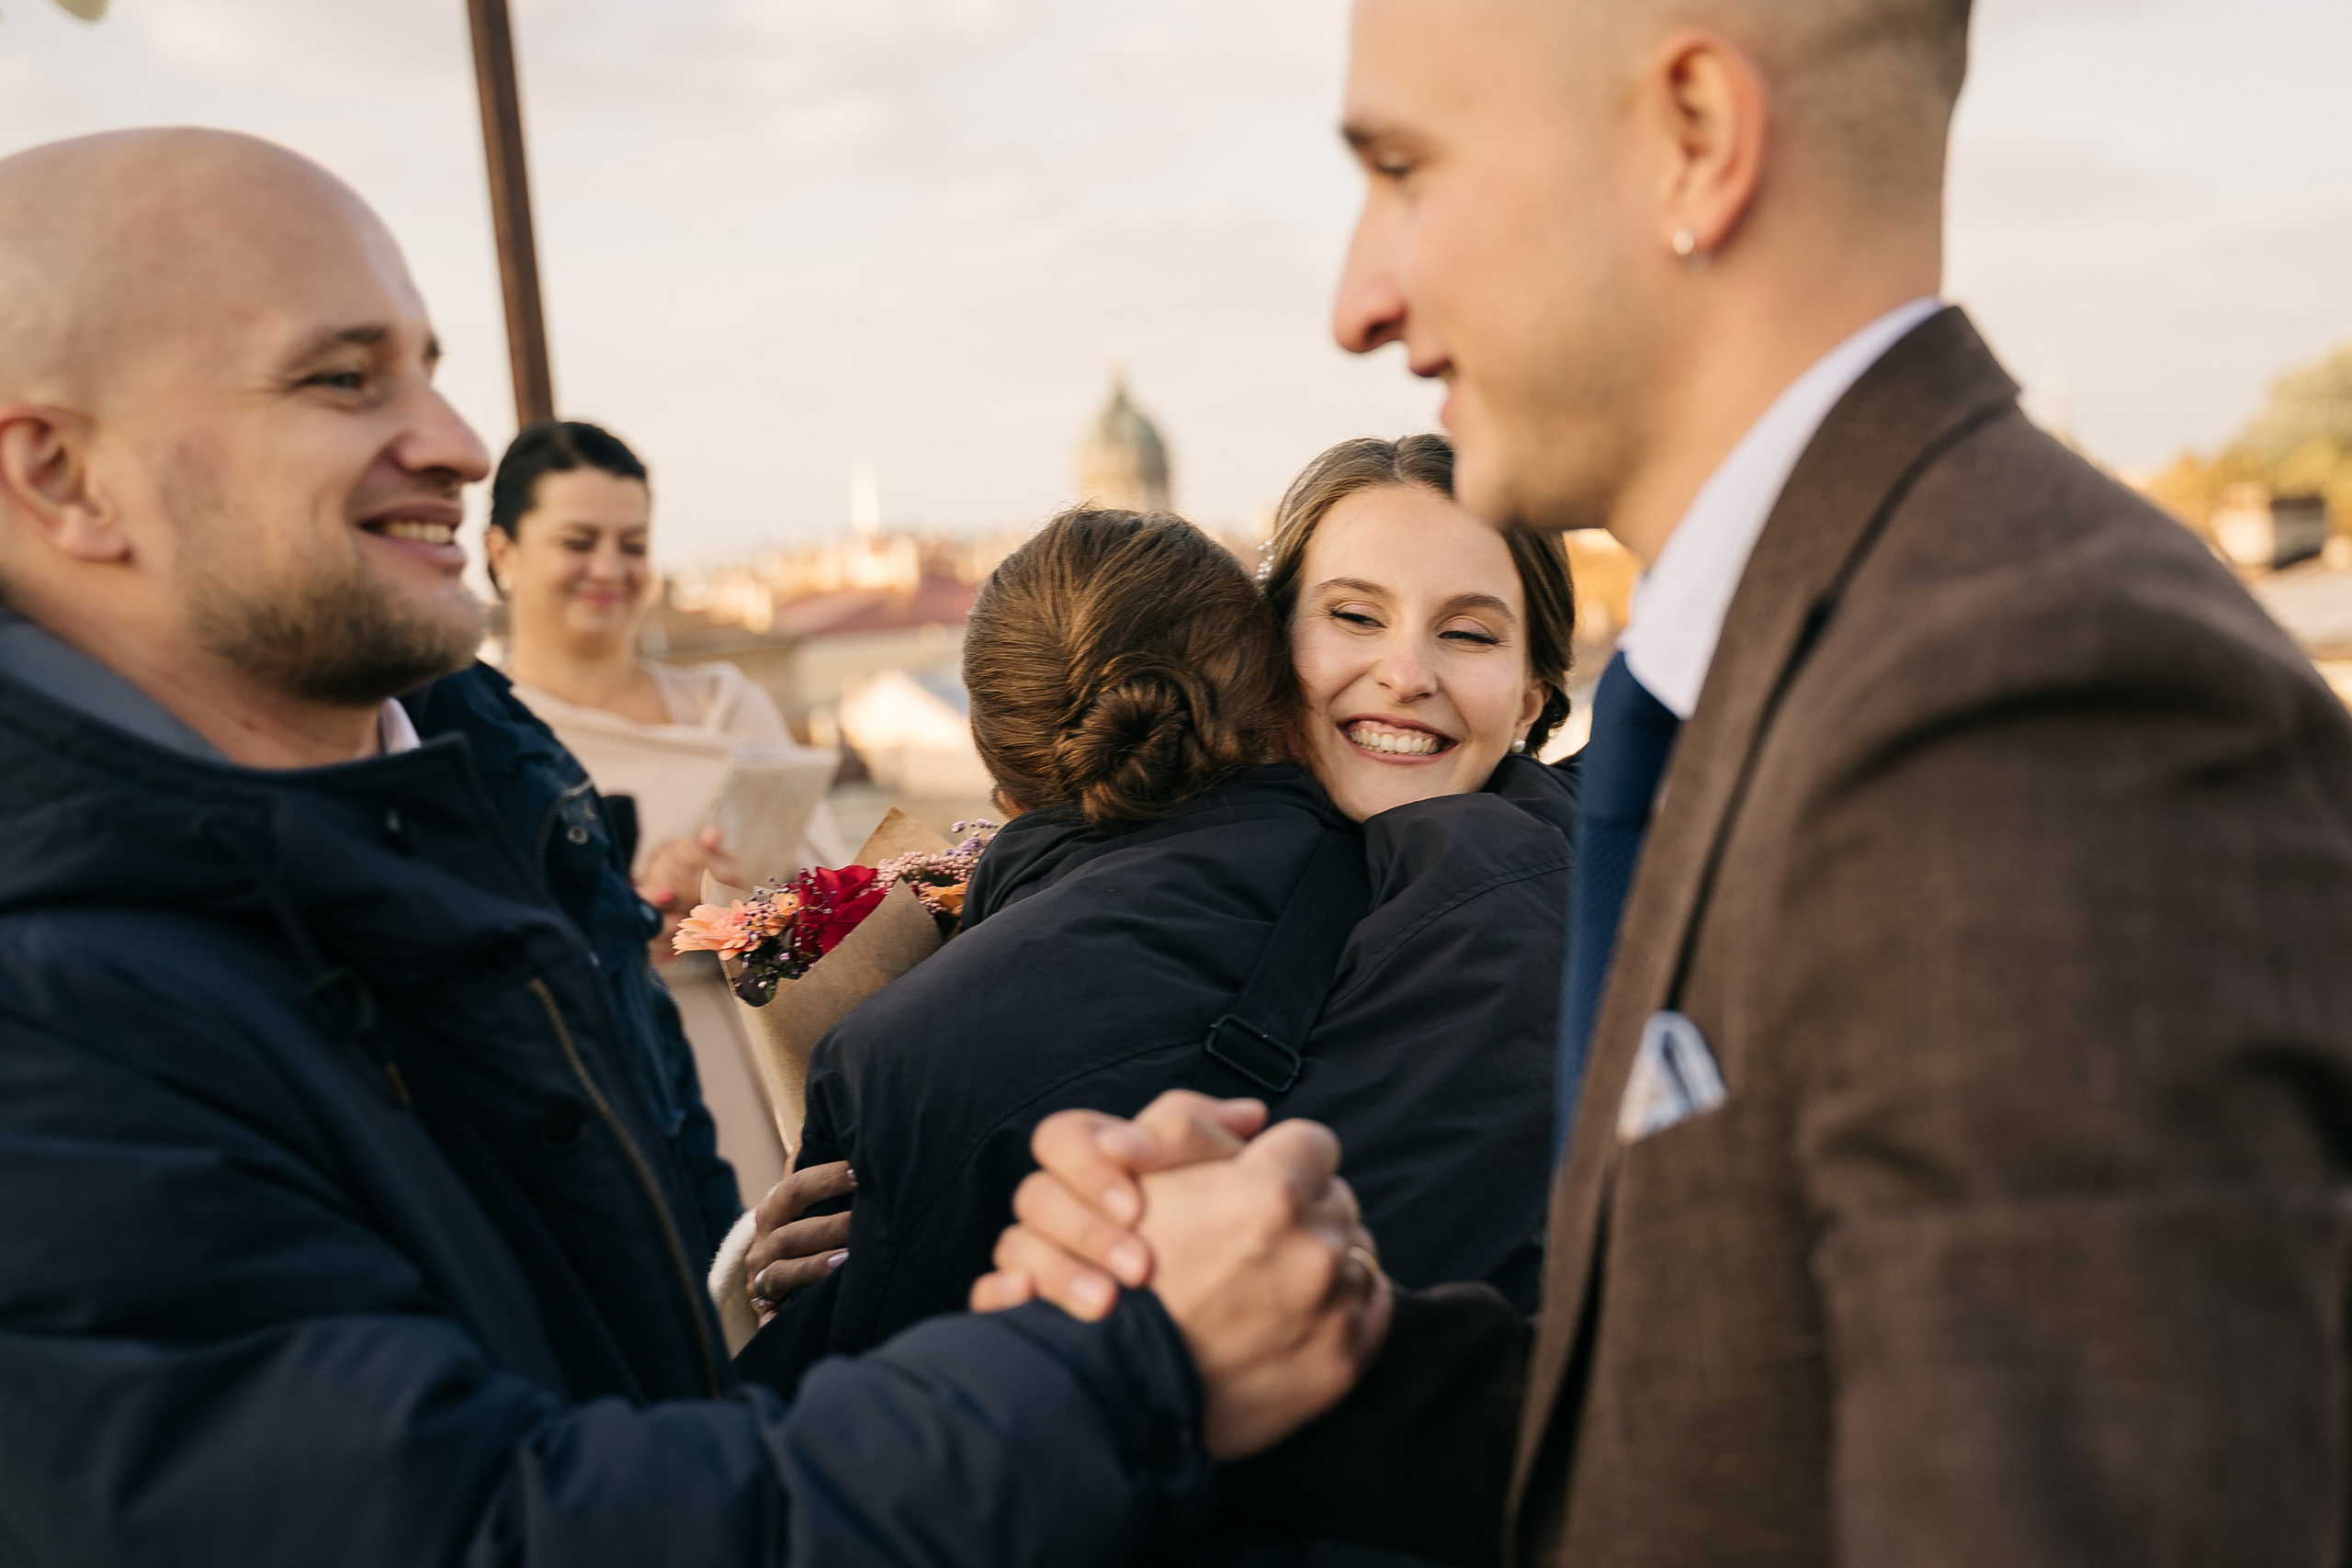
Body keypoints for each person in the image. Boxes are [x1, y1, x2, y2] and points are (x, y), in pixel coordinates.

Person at [982, 2, 2352, 1565]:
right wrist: (1286, 1335)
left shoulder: (2033, 707)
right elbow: (1743, 1435)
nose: (1363, 297)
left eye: (1406, 168)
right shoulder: (1782, 659)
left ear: (1695, 140)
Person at [0, 127, 1381, 1566]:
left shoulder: (487, 794)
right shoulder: (45, 1020)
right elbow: (486, 1519)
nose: (462, 445)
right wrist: (1131, 1364)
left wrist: (735, 1281)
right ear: (62, 472)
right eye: (343, 377)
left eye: (426, 363)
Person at [737, 491, 1574, 1406]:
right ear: (1269, 655)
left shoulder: (1509, 908)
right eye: (1353, 616)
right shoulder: (1494, 879)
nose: (1404, 672)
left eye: (1471, 633)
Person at [484, 418, 848, 1198]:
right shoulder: (472, 736)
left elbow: (843, 893)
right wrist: (625, 914)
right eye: (579, 542)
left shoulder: (724, 705)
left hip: (771, 1069)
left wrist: (738, 902)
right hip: (592, 1087)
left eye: (634, 543)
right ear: (501, 553)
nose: (610, 568)